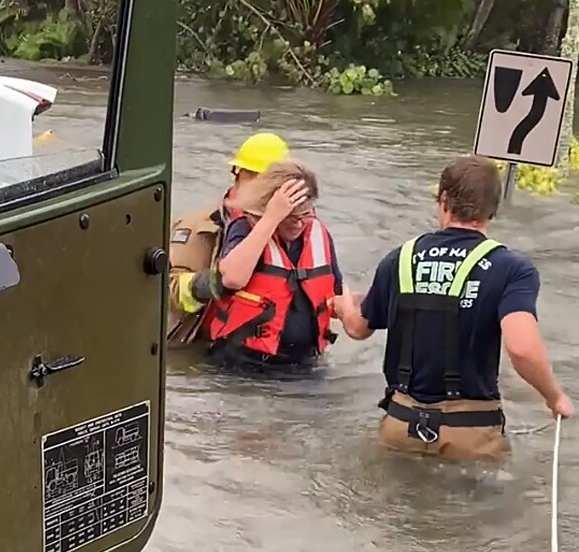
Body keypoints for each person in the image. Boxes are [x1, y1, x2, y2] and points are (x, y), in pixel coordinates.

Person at [334, 155, 573, 460]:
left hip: (400, 425)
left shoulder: (399, 259)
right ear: (493, 210)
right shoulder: (511, 268)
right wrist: (555, 398)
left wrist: (344, 306)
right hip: (471, 433)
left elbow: (357, 328)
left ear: (443, 200)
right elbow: (523, 348)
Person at [205, 160, 343, 369]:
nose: (298, 223)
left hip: (305, 363)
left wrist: (354, 312)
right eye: (290, 217)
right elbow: (232, 278)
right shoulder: (245, 227)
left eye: (304, 215)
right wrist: (271, 217)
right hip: (244, 364)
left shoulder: (317, 233)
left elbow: (337, 292)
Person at [167, 132, 290, 347]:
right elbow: (168, 289)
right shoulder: (198, 228)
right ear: (239, 175)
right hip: (200, 349)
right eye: (254, 177)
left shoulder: (293, 231)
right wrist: (214, 283)